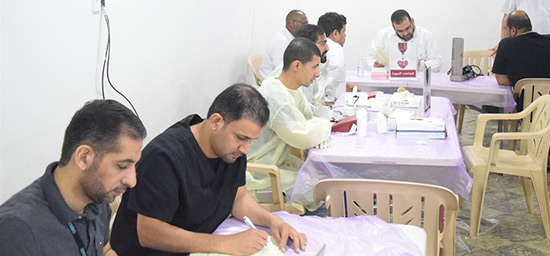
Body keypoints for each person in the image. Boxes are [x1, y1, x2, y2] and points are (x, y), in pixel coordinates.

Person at [111, 84, 307, 256]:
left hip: (200, 245)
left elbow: (238, 198)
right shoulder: (165, 157)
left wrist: (274, 222)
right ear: (216, 122)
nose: (245, 149)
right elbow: (149, 234)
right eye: (241, 138)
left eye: (251, 140)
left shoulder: (232, 151)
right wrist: (225, 243)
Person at [0, 99, 146, 256]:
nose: (132, 181)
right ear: (84, 158)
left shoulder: (98, 197)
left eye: (134, 166)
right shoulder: (17, 231)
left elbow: (105, 250)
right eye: (123, 166)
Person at [247, 38, 332, 207]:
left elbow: (309, 119)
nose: (317, 74)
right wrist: (326, 124)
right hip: (259, 174)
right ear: (296, 65)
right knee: (322, 187)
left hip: (278, 163)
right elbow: (303, 136)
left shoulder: (292, 91)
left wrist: (320, 124)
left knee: (325, 176)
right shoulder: (275, 95)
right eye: (314, 67)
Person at [492, 10, 550, 169]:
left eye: (505, 29)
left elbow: (501, 80)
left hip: (532, 109)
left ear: (513, 30)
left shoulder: (507, 45)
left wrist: (524, 81)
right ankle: (545, 151)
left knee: (528, 104)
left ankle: (538, 152)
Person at [268, 23, 329, 106]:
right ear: (308, 45)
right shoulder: (286, 78)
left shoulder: (309, 72)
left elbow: (313, 101)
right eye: (323, 43)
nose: (327, 48)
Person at [366, 9, 442, 72]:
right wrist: (375, 65)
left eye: (407, 28)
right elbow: (369, 59)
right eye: (400, 31)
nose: (405, 33)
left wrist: (422, 65)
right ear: (393, 27)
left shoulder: (426, 36)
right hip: (389, 83)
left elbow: (437, 62)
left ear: (412, 21)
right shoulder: (383, 35)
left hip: (418, 83)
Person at [317, 12, 360, 101]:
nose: (345, 35)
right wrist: (331, 98)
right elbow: (337, 69)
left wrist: (345, 85)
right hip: (326, 100)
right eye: (344, 31)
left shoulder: (314, 45)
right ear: (335, 33)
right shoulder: (335, 48)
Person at [259, 9, 308, 78]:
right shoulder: (281, 41)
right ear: (292, 24)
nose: (306, 27)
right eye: (304, 23)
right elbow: (281, 69)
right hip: (272, 80)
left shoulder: (291, 39)